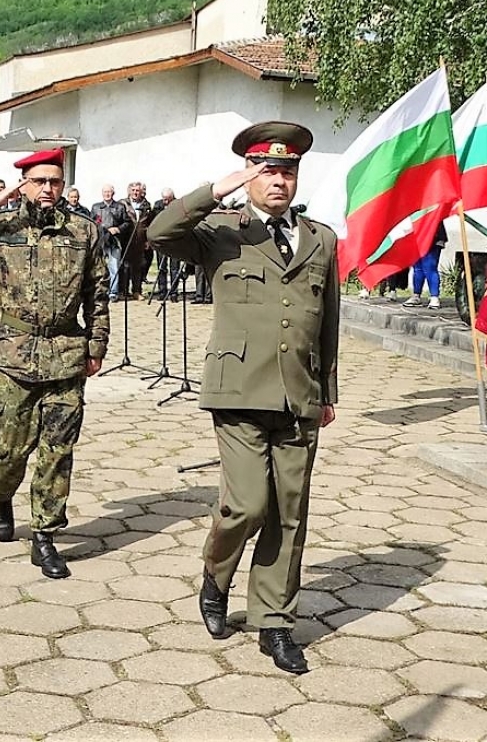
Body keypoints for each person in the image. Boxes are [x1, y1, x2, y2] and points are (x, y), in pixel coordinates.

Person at [148, 121, 339, 675]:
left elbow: (327, 319)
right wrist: (218, 189)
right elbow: (160, 232)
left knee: (289, 512)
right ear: (250, 175)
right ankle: (216, 575)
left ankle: (274, 622)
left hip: (298, 393)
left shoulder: (320, 238)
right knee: (248, 504)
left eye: (288, 171)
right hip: (237, 391)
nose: (279, 181)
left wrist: (327, 389)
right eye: (268, 171)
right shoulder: (221, 231)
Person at [0, 148, 109, 580]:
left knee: (58, 451)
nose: (48, 189)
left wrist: (96, 345)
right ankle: (0, 495)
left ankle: (44, 536)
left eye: (55, 181)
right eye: (39, 181)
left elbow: (97, 292)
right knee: (9, 449)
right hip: (15, 354)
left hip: (67, 353)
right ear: (24, 184)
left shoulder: (83, 230)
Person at [89, 184, 132, 301]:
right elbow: (91, 223)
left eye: (109, 192)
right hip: (100, 241)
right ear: (102, 193)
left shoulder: (120, 207)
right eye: (105, 192)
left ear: (113, 193)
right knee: (99, 267)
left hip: (115, 241)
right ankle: (100, 290)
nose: (107, 194)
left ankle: (113, 292)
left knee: (114, 267)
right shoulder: (95, 207)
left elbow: (127, 223)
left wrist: (118, 229)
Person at [406, 222, 449, 308]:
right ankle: (416, 295)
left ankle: (434, 297)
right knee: (417, 268)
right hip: (417, 237)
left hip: (433, 237)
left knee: (430, 268)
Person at [122, 182, 154, 300]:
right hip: (126, 240)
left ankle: (136, 291)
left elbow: (150, 224)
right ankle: (124, 291)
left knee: (138, 266)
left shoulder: (146, 205)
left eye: (137, 191)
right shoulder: (122, 204)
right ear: (129, 191)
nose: (135, 193)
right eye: (133, 190)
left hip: (140, 240)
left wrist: (148, 240)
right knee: (125, 267)